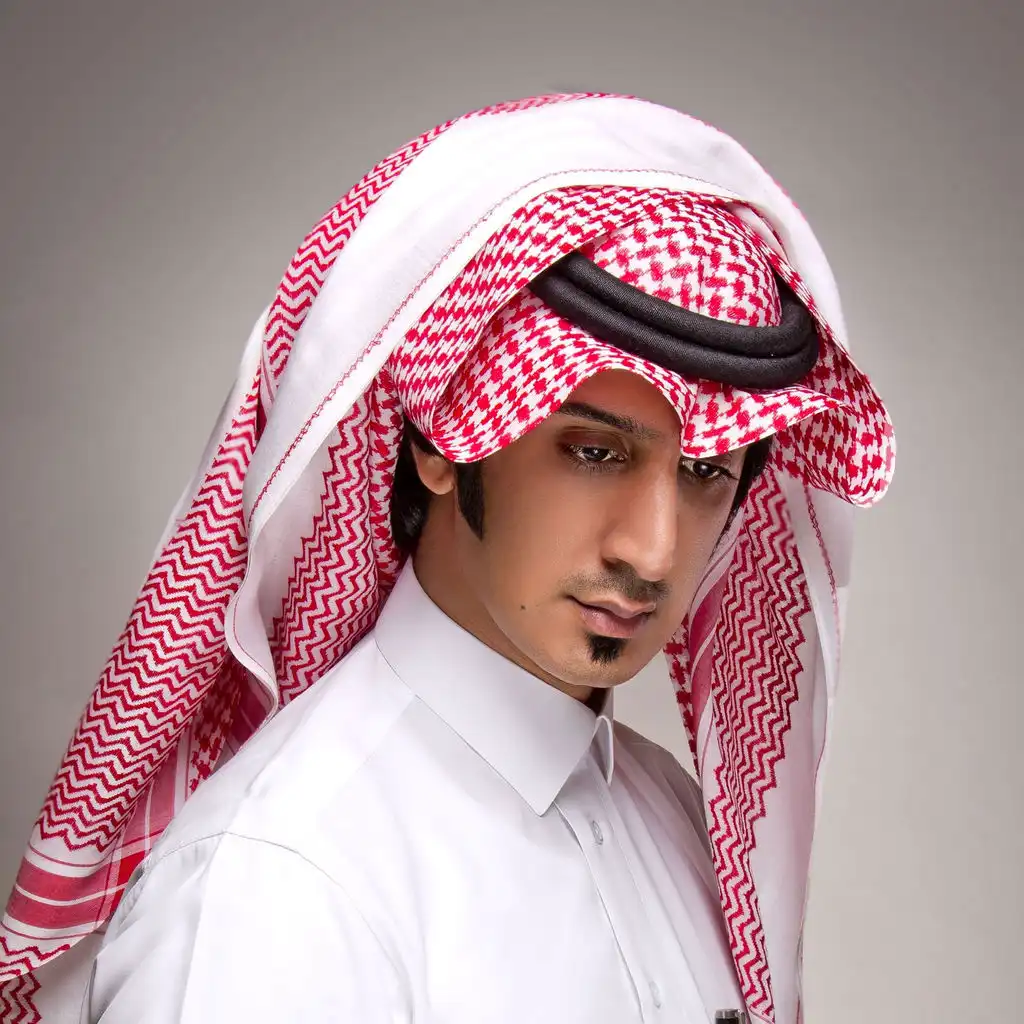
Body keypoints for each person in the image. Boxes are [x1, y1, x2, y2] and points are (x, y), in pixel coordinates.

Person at [0, 94, 894, 1024]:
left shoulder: (669, 816)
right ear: (441, 441)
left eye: (706, 471)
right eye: (595, 452)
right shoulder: (281, 894)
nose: (653, 549)